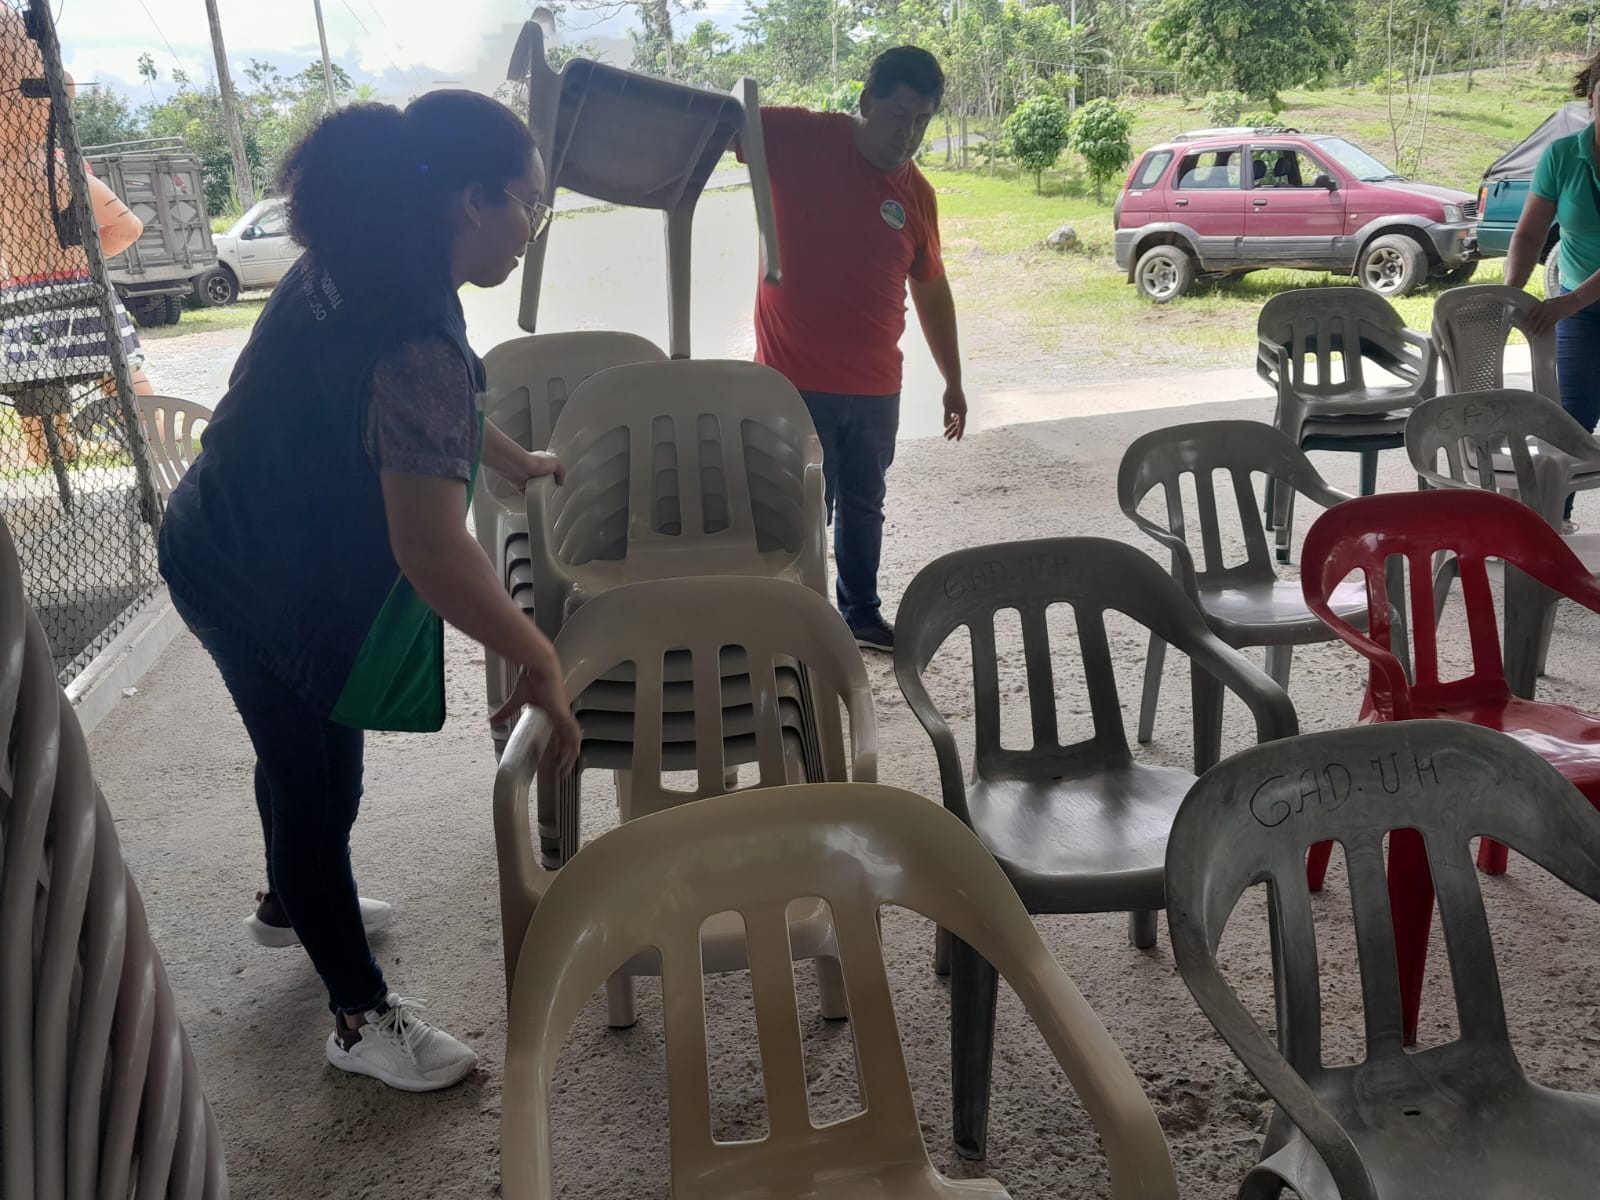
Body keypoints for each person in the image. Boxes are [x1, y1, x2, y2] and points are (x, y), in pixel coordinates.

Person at [158, 92, 581, 1093]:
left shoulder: (356, 260)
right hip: (252, 577)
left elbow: (424, 406)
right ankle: (356, 1019)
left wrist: (514, 458)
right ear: (471, 201)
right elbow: (430, 547)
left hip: (224, 535)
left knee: (296, 757)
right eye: (529, 204)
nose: (530, 227)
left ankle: (287, 905)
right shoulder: (414, 331)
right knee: (318, 783)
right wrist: (537, 651)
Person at [750, 45, 965, 651]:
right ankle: (795, 620)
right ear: (867, 101)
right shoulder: (799, 136)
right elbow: (712, 123)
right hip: (792, 382)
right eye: (898, 115)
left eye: (922, 121)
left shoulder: (918, 195)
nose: (909, 133)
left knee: (865, 506)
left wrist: (953, 380)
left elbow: (931, 289)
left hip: (875, 387)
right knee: (797, 509)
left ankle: (861, 615)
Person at [1507, 48, 1600, 531]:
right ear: (1591, 99)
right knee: (1571, 418)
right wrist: (1510, 295)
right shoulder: (1563, 156)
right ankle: (1551, 526)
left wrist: (1571, 301)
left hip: (1577, 301)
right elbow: (1528, 235)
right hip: (1582, 311)